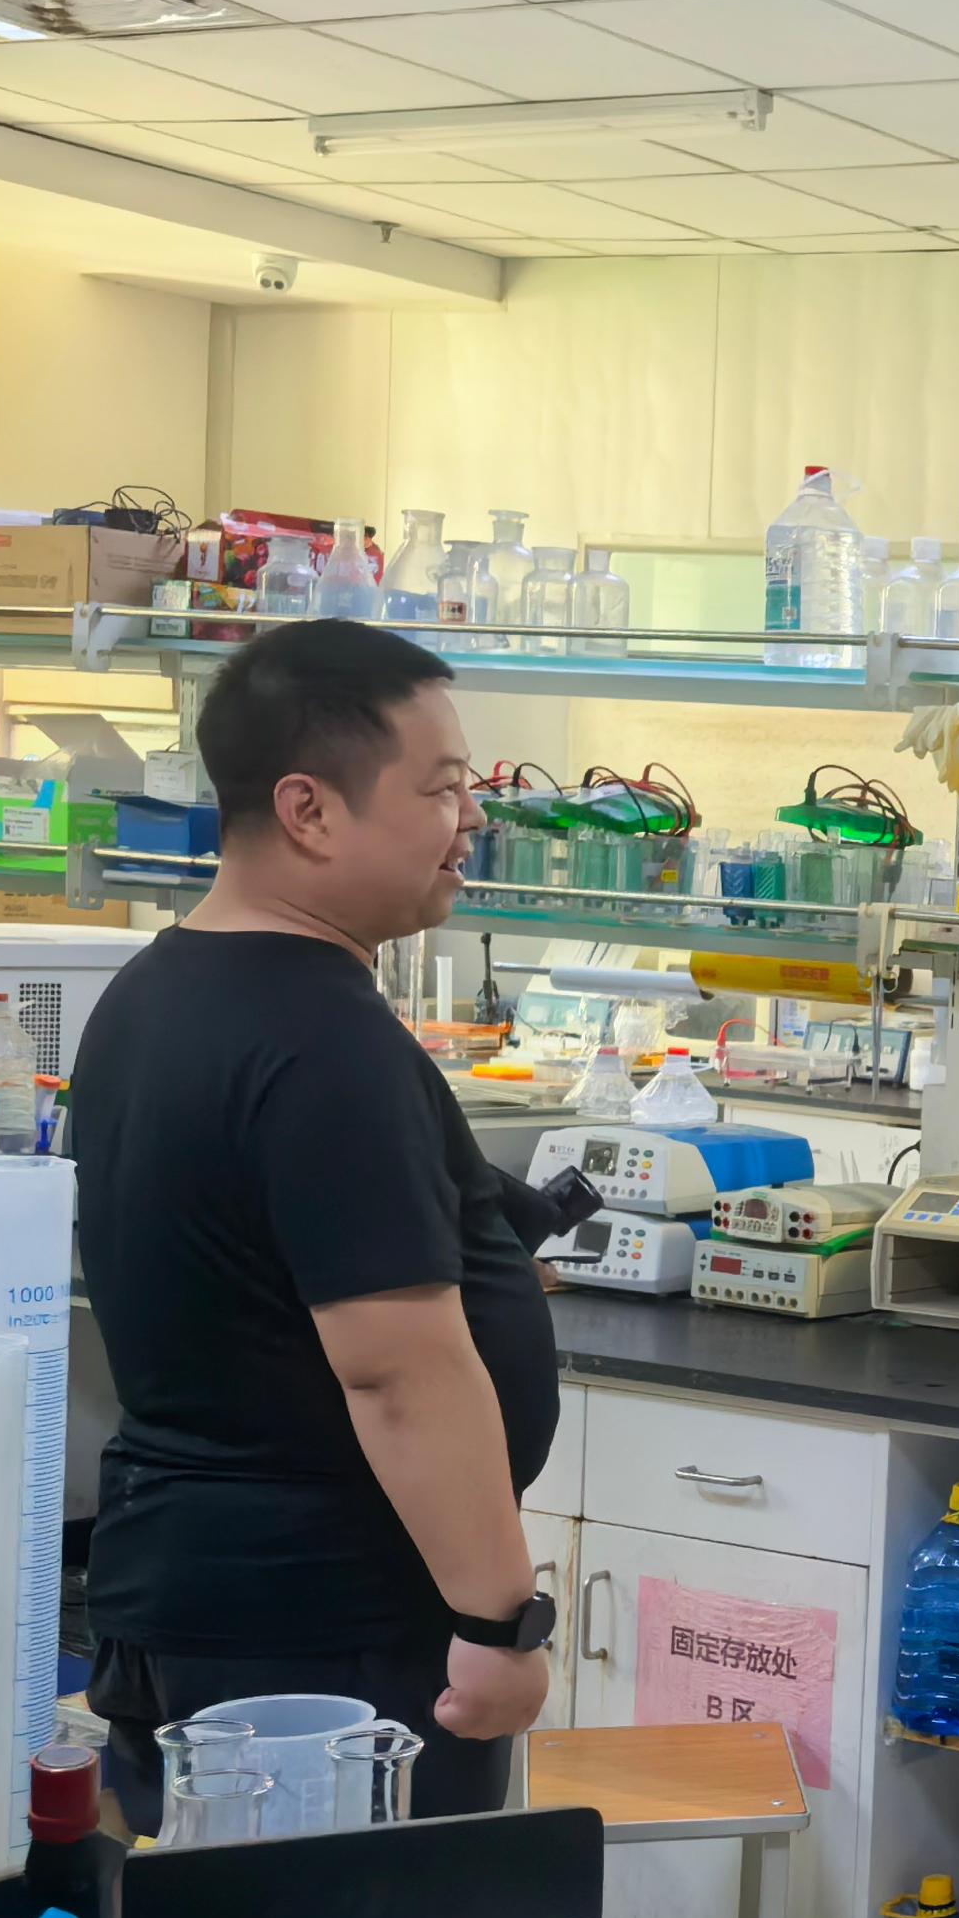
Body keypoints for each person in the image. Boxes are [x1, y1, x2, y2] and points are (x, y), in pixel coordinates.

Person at [74, 620, 558, 1827]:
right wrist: (500, 1623)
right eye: (440, 789)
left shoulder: (153, 992)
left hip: (199, 1607)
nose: (470, 820)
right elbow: (397, 1373)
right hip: (324, 1654)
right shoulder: (325, 1042)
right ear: (309, 811)